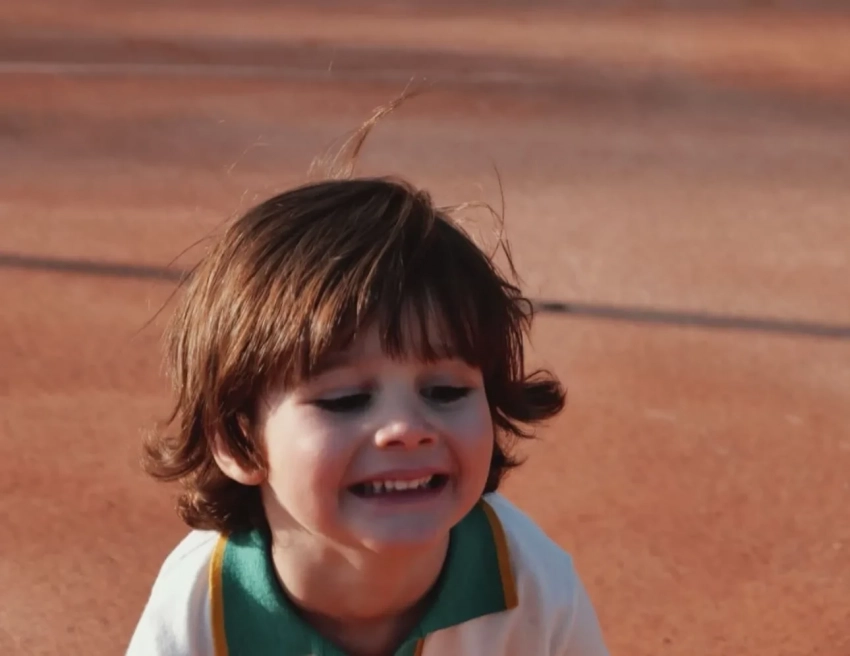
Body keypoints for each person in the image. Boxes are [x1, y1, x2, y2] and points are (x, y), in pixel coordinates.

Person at [127, 94, 609, 656]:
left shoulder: (532, 586)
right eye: (345, 399)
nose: (407, 428)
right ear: (238, 440)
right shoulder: (199, 607)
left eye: (446, 391)